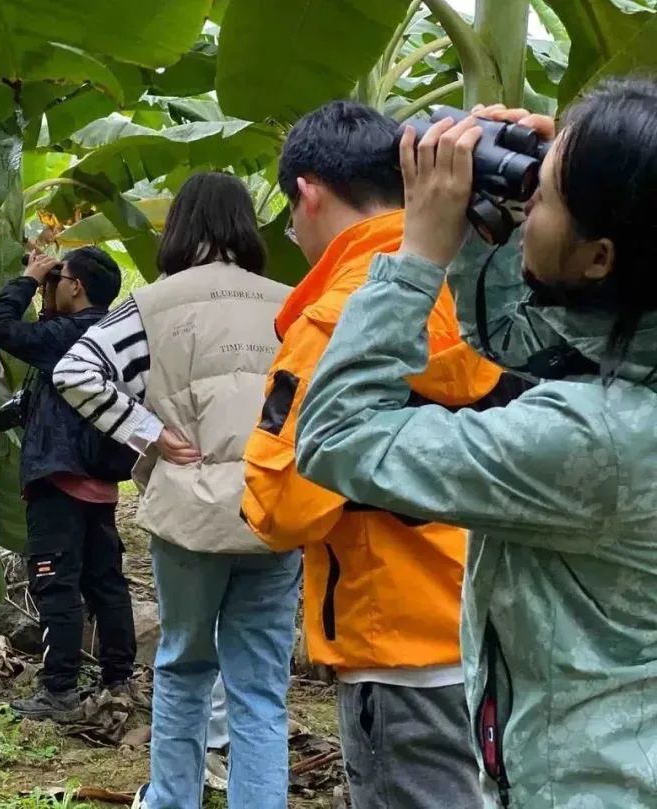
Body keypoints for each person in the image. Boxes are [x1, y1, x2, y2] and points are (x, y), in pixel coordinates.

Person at [295, 79, 657, 808]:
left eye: (545, 197)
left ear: (598, 258)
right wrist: (527, 207)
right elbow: (517, 343)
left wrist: (419, 249)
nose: (529, 215)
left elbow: (334, 436)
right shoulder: (632, 349)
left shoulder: (596, 439)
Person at [241, 101, 520, 809]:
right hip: (502, 634)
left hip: (401, 647)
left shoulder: (337, 315)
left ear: (308, 191)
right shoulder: (488, 288)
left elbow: (279, 509)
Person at [54, 171, 302, 809]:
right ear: (246, 227)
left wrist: (150, 433)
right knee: (260, 686)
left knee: (185, 666)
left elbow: (74, 370)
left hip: (188, 512)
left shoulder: (153, 306)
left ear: (181, 227)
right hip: (273, 509)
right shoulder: (291, 301)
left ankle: (171, 800)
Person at [0, 246, 138, 722]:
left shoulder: (69, 335)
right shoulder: (117, 334)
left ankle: (59, 691)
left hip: (60, 478)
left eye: (59, 277)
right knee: (105, 582)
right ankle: (118, 679)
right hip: (101, 481)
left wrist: (28, 278)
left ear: (75, 286)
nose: (54, 283)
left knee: (55, 584)